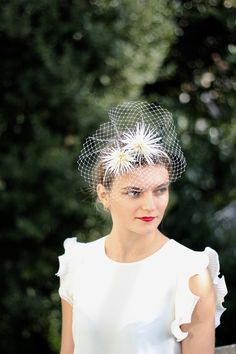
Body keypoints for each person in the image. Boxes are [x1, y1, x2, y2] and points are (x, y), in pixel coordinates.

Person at [56, 101, 227, 354]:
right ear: (104, 195)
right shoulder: (77, 262)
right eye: (134, 193)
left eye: (160, 190)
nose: (151, 206)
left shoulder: (189, 273)